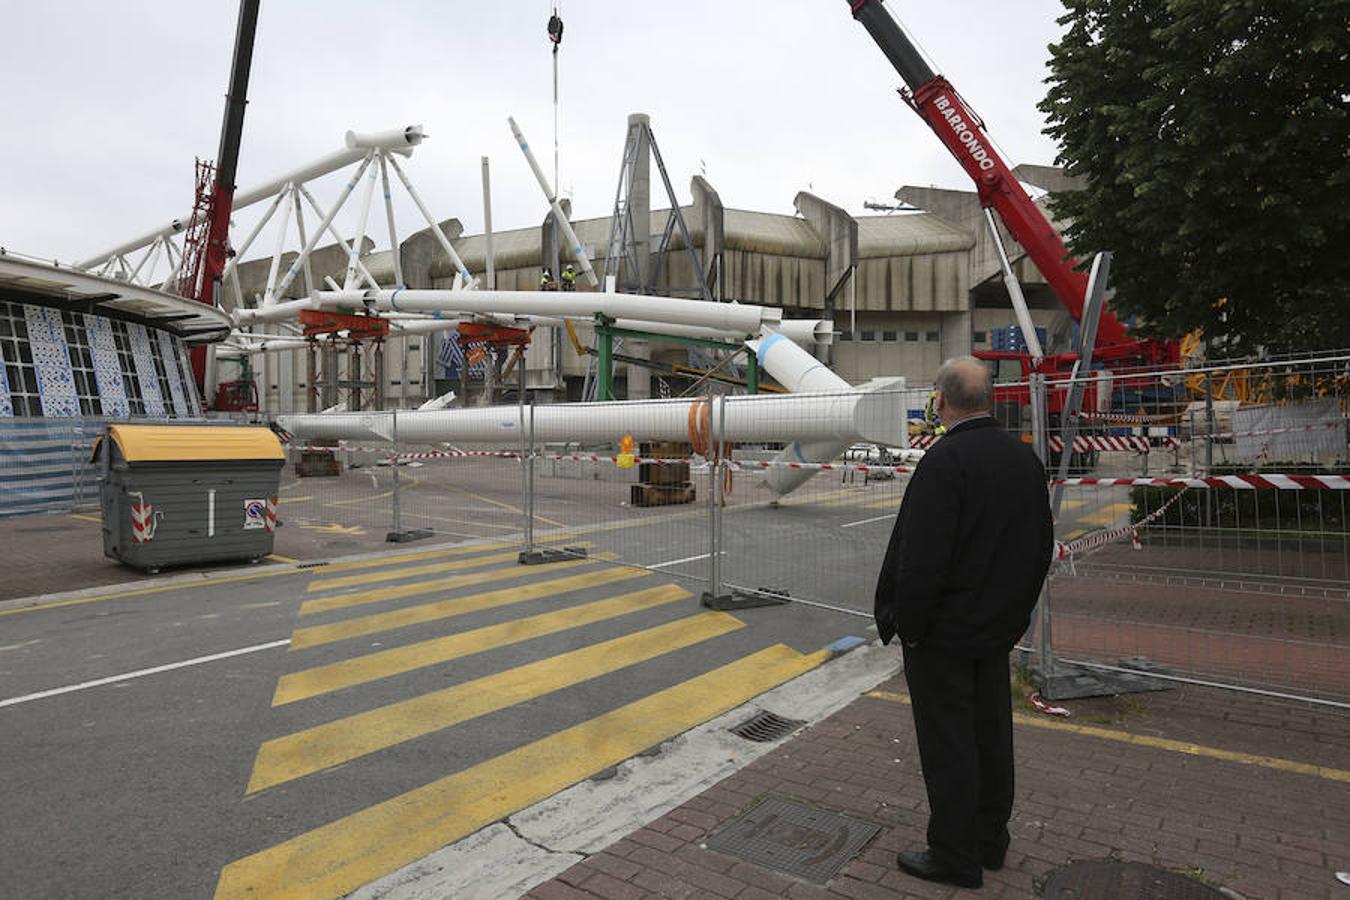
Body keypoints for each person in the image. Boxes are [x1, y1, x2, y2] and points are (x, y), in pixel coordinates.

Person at [874, 356, 1053, 890]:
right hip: (995, 629)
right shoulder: (1024, 461)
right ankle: (989, 839)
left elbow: (921, 561)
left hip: (943, 635)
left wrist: (912, 625)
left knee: (948, 742)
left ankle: (953, 853)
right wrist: (1016, 615)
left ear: (941, 401)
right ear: (990, 400)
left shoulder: (944, 462)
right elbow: (1038, 547)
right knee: (991, 735)